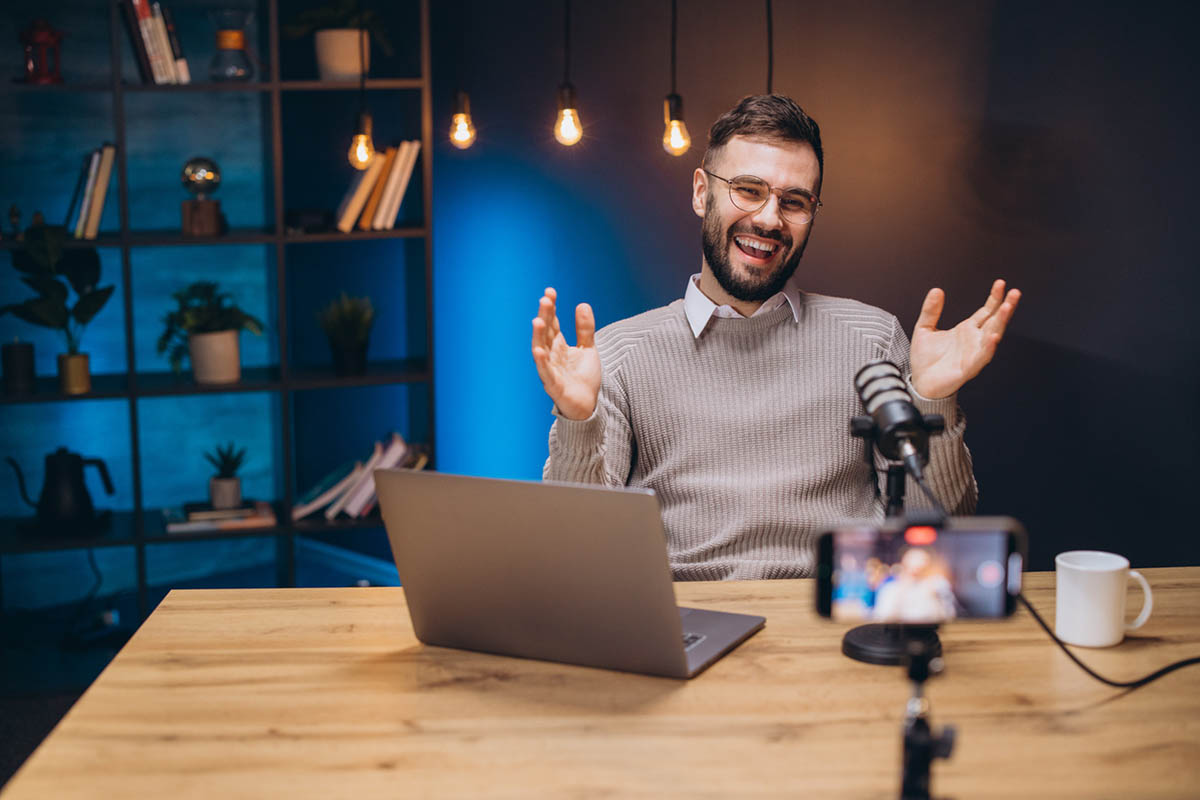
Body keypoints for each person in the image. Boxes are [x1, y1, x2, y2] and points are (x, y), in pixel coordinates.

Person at [530, 95, 1020, 580]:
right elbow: (578, 550)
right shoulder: (620, 354)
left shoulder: (872, 339)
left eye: (794, 201)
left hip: (836, 618)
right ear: (702, 192)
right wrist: (578, 422)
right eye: (748, 189)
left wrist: (932, 401)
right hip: (687, 621)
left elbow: (938, 532)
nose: (769, 219)